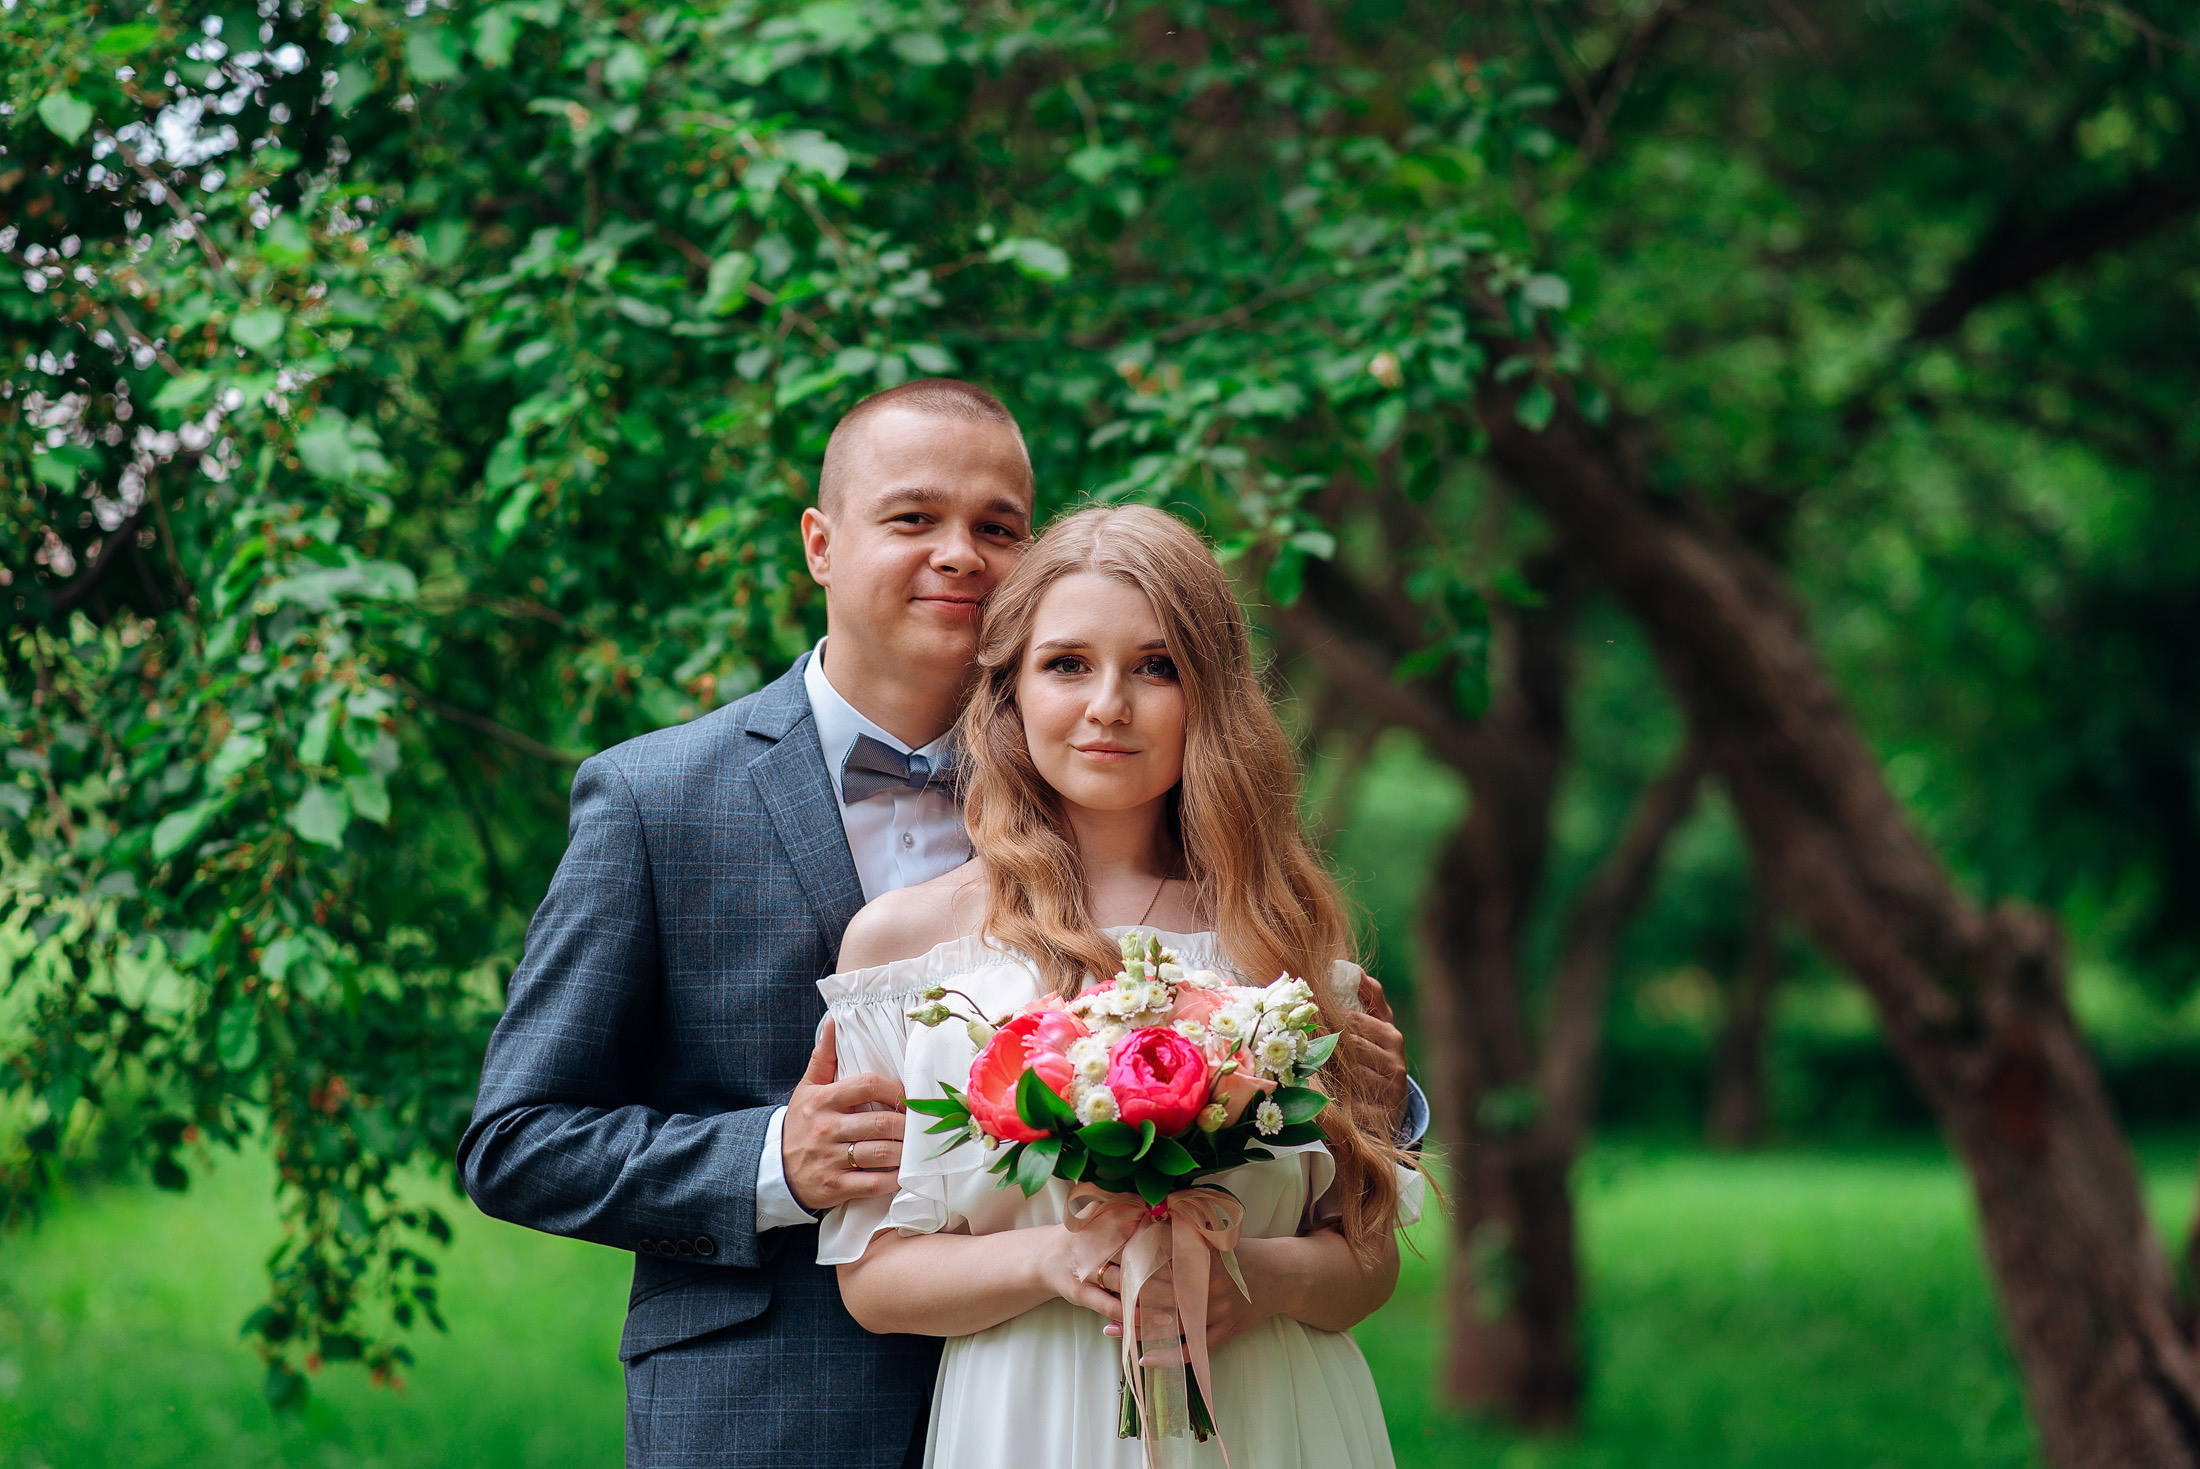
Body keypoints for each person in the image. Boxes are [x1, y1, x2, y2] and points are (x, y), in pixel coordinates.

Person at [456, 381, 1421, 1469]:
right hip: (783, 1412)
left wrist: (1365, 1085)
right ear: (820, 543)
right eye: (914, 517)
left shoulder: (1100, 764)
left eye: (999, 526)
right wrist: (778, 1157)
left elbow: (1313, 1114)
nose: (961, 553)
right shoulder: (658, 799)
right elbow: (516, 1138)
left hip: (1144, 1389)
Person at [819, 504, 1420, 1468]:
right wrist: (1055, 1258)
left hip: (1272, 1412)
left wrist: (1251, 1276)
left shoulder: (1286, 944)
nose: (1109, 704)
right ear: (1009, 688)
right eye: (1067, 664)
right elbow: (875, 1281)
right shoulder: (906, 950)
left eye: (1157, 667)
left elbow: (1366, 1260)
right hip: (1034, 1414)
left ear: (1211, 696)